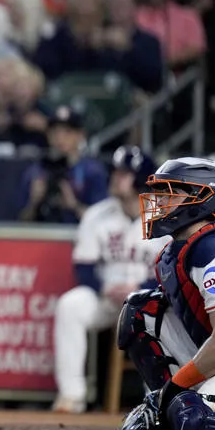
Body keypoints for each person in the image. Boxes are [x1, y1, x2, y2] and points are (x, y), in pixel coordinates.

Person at [116, 157, 215, 430]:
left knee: (193, 420)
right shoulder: (175, 251)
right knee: (140, 312)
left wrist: (175, 388)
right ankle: (169, 413)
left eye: (170, 192)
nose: (159, 200)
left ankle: (184, 410)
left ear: (201, 197)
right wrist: (167, 398)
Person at [52, 146, 167, 413]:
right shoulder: (98, 214)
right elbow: (84, 266)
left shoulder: (164, 218)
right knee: (70, 305)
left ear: (143, 179)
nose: (116, 178)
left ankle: (158, 400)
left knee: (165, 318)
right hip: (106, 296)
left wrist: (140, 289)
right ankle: (72, 396)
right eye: (115, 172)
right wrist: (104, 287)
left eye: (125, 173)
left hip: (150, 300)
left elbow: (173, 270)